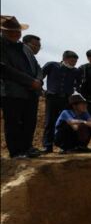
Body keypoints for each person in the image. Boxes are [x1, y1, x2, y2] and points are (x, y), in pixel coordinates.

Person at [0, 16, 43, 159]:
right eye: (11, 31)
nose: (15, 34)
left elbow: (37, 67)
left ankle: (27, 147)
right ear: (3, 31)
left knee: (29, 121)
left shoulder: (25, 48)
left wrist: (38, 80)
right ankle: (16, 151)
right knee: (13, 122)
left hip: (31, 92)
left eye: (17, 31)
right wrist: (30, 81)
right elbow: (5, 69)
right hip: (12, 91)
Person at [41, 50, 81, 153]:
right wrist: (42, 91)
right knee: (50, 122)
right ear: (65, 59)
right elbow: (39, 77)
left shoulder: (76, 71)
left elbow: (79, 84)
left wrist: (74, 93)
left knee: (66, 122)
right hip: (52, 98)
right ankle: (47, 146)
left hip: (66, 100)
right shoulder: (52, 65)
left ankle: (65, 146)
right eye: (72, 61)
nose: (74, 63)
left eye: (75, 62)